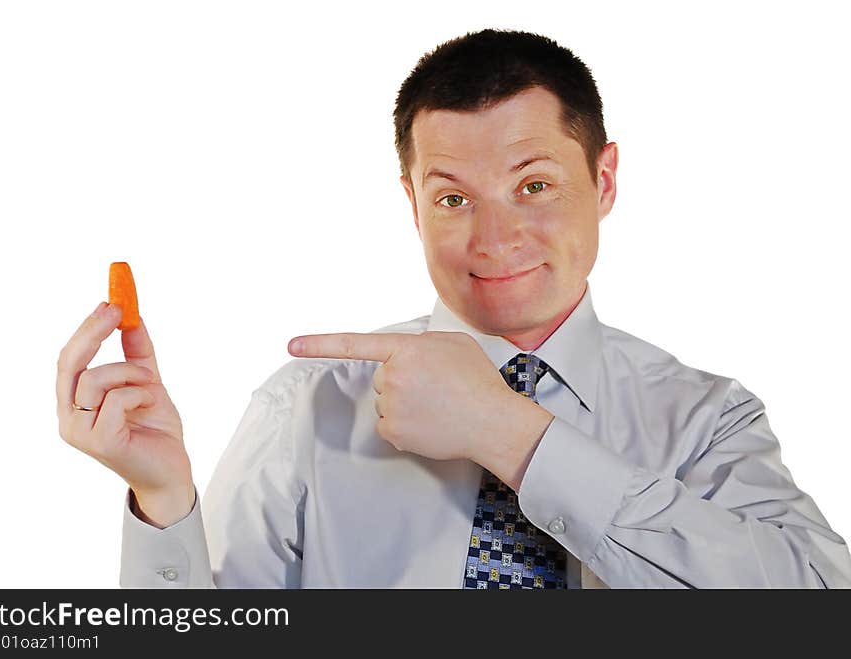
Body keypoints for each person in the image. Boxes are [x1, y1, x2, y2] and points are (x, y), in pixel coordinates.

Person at [56, 28, 851, 589]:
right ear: (412, 202)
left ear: (604, 180)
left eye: (534, 186)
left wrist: (510, 435)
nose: (494, 237)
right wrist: (163, 501)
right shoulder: (309, 407)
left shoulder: (708, 419)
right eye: (453, 198)